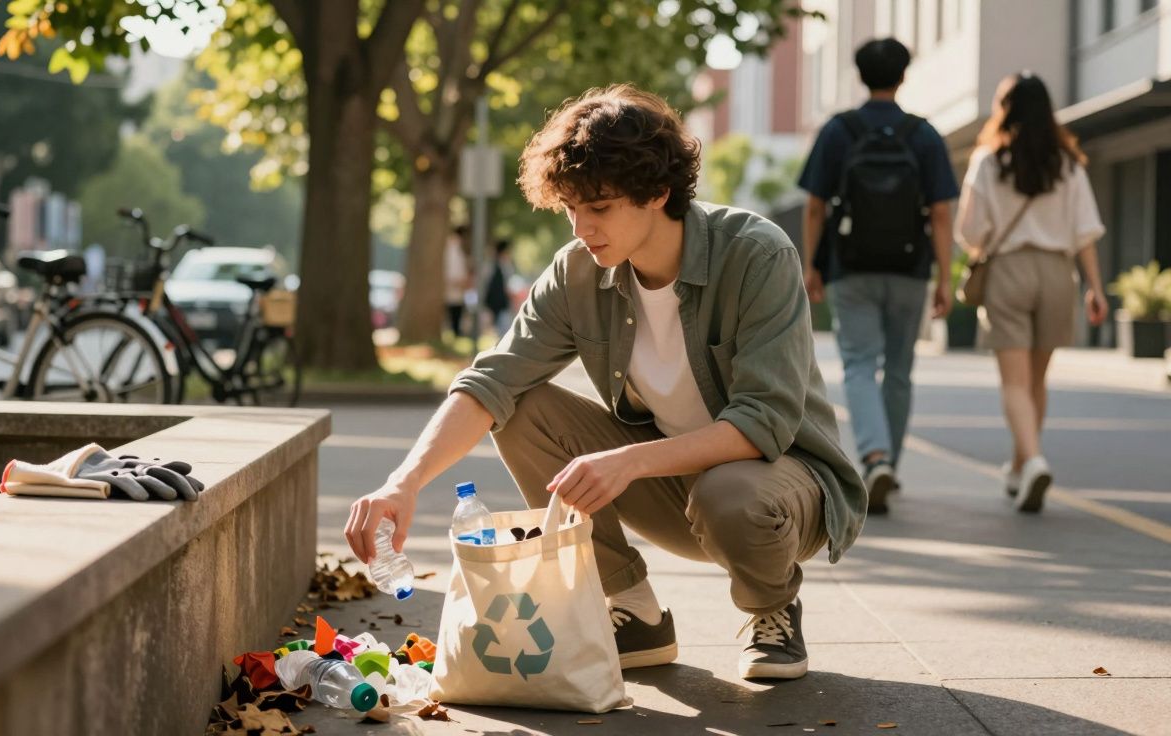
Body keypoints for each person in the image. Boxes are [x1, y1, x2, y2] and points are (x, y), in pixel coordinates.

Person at [345, 84, 865, 681]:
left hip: (779, 492)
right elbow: (492, 379)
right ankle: (634, 611)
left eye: (600, 207)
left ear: (657, 192)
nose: (581, 226)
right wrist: (402, 484)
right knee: (520, 406)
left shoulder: (756, 255)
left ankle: (771, 609)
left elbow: (764, 422)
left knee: (731, 493)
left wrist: (627, 461)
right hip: (671, 484)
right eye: (570, 207)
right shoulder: (578, 272)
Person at [797, 38, 960, 514]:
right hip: (911, 269)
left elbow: (814, 206)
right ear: (904, 76)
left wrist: (812, 264)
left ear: (860, 76)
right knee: (901, 369)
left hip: (852, 269)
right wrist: (945, 277)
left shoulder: (839, 131)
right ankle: (889, 461)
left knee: (860, 363)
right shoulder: (923, 134)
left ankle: (874, 456)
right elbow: (942, 213)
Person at [954, 72, 1108, 512]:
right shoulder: (1068, 164)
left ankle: (1033, 460)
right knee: (1038, 380)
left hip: (1009, 272)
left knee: (1014, 382)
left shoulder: (988, 162)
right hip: (1059, 273)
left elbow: (971, 232)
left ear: (1005, 109)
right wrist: (1095, 289)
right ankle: (1022, 466)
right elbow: (1085, 234)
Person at [443, 226, 472, 338]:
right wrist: (461, 282)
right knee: (454, 313)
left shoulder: (457, 249)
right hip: (454, 288)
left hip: (458, 289)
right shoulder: (453, 248)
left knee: (457, 312)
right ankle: (455, 333)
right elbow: (451, 272)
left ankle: (457, 333)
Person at [483, 238, 514, 337]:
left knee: (503, 330)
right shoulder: (491, 265)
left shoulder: (505, 266)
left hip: (501, 303)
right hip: (492, 303)